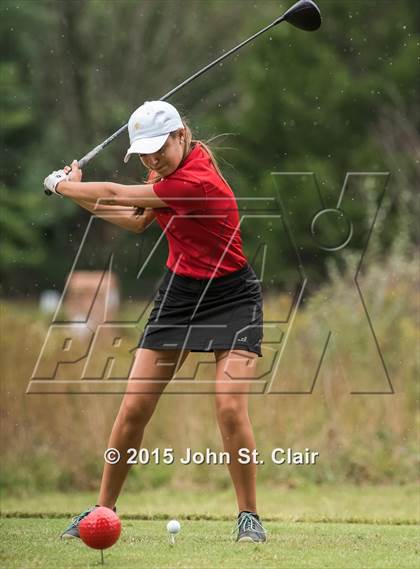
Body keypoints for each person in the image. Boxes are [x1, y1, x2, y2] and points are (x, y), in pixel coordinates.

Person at [44, 101, 266, 544]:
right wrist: (80, 191)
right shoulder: (162, 175)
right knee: (134, 408)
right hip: (180, 295)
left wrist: (65, 188)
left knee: (228, 406)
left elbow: (122, 196)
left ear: (181, 135)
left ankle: (249, 517)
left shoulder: (197, 181)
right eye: (143, 153)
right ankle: (102, 509)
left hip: (232, 297)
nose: (151, 160)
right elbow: (134, 219)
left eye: (158, 149)